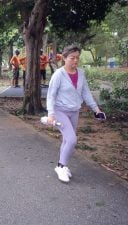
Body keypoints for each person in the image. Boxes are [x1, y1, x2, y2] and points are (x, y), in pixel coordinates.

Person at [46, 45, 105, 183]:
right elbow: (51, 96)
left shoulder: (81, 73)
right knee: (72, 140)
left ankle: (62, 165)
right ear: (64, 58)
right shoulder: (58, 75)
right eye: (72, 58)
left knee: (67, 140)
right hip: (60, 111)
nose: (75, 60)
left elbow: (85, 92)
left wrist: (96, 110)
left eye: (77, 58)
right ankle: (61, 166)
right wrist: (51, 114)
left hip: (74, 111)